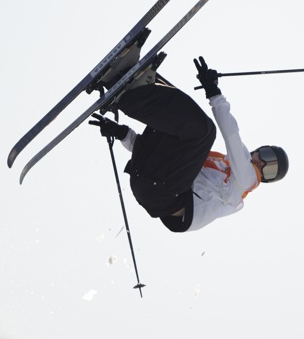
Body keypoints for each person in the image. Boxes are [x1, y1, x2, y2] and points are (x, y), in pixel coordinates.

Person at [90, 56, 288, 232]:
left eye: (269, 169)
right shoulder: (217, 167)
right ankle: (135, 86)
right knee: (179, 125)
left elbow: (232, 135)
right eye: (267, 156)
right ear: (259, 150)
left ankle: (130, 96)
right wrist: (122, 133)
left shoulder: (247, 180)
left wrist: (214, 93)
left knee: (204, 131)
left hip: (165, 196)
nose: (262, 164)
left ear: (266, 179)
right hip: (150, 181)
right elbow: (168, 158)